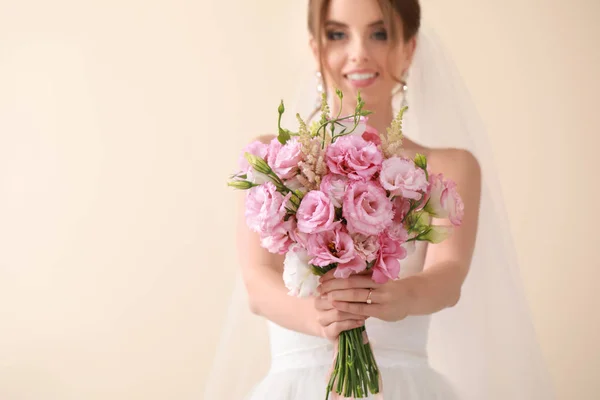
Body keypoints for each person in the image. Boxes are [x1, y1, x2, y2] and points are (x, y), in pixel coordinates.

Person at [204, 0, 555, 399]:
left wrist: (395, 297)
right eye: (338, 34)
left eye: (380, 33)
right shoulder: (272, 160)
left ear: (409, 48)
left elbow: (449, 275)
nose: (358, 52)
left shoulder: (447, 168)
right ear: (315, 46)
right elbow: (257, 283)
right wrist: (321, 318)